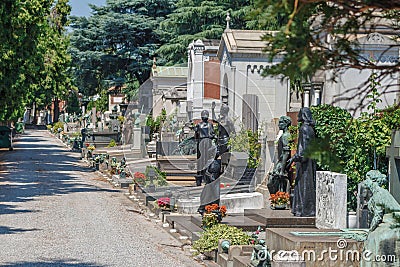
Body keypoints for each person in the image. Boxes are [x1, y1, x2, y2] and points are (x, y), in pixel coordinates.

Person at [289, 107, 317, 217]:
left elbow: (303, 149)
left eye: (299, 114)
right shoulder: (310, 129)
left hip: (305, 163)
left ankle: (305, 210)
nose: (297, 116)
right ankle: (305, 209)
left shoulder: (304, 129)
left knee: (304, 186)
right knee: (307, 185)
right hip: (310, 162)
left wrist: (294, 158)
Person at [268, 116, 292, 194]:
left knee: (273, 182)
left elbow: (286, 153)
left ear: (285, 124)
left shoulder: (286, 136)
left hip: (282, 163)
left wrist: (282, 169)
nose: (279, 125)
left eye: (281, 123)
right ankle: (279, 199)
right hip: (281, 161)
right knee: (275, 182)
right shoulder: (284, 135)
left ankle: (280, 200)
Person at [194, 110, 215, 186]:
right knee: (205, 159)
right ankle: (204, 176)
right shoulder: (209, 125)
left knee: (202, 160)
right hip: (206, 142)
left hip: (201, 142)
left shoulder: (199, 125)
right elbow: (213, 134)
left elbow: (196, 135)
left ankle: (201, 176)